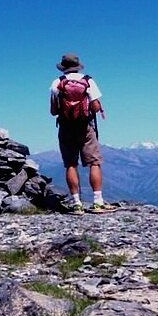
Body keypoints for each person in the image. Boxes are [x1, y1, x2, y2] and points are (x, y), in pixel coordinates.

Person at [49, 53, 116, 214]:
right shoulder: (88, 81)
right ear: (78, 66)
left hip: (66, 127)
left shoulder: (57, 83)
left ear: (63, 67)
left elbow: (53, 111)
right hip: (86, 126)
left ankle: (76, 203)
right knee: (94, 162)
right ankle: (98, 202)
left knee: (71, 164)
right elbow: (96, 106)